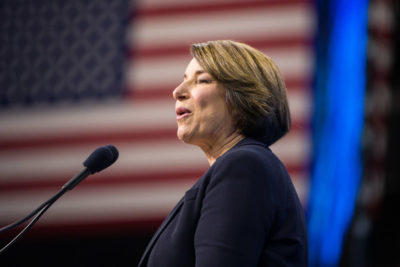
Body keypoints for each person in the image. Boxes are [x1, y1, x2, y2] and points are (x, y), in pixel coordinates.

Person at [138, 40, 308, 266]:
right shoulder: (242, 167)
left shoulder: (244, 166)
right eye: (184, 80)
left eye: (202, 80)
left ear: (242, 97)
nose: (177, 92)